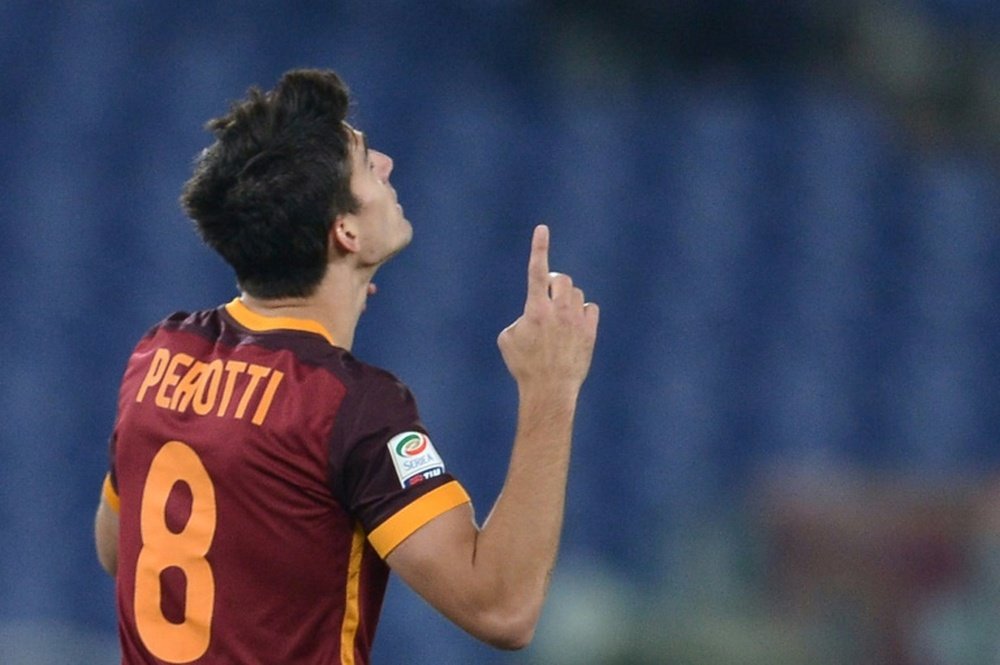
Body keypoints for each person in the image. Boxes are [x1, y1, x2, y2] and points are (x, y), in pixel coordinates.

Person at [93, 68, 599, 664]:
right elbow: (503, 609)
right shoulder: (346, 407)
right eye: (364, 162)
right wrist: (551, 389)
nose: (385, 162)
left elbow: (117, 549)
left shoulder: (160, 355)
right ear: (346, 233)